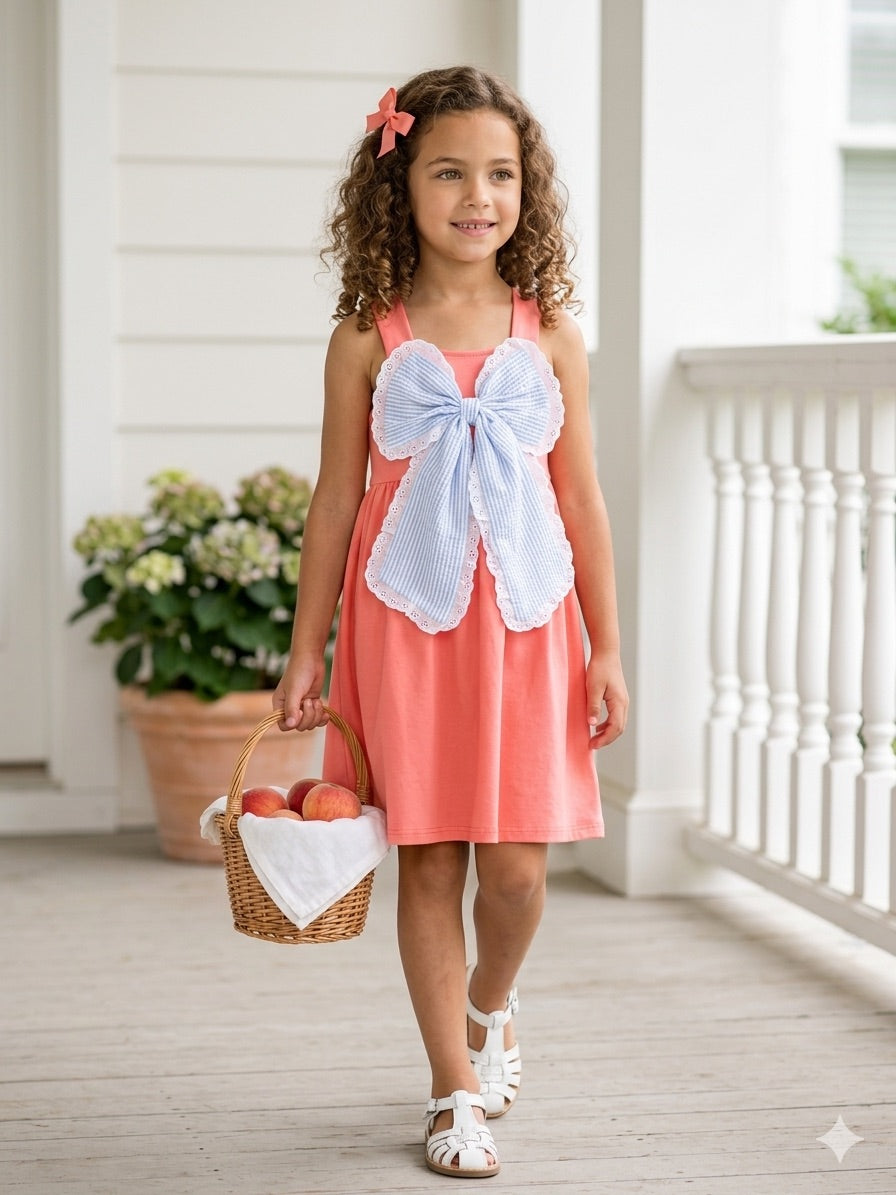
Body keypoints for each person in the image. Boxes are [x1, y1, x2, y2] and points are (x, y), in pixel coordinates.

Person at [273, 65, 628, 1179]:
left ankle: (489, 1005)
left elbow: (579, 498)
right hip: (407, 632)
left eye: (500, 173)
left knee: (514, 874)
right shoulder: (363, 340)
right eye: (448, 171)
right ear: (399, 187)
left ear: (527, 190)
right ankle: (450, 1089)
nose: (477, 195)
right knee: (428, 865)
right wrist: (304, 650)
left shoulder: (550, 336)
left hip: (523, 629)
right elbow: (336, 499)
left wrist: (606, 645)